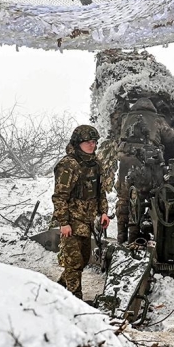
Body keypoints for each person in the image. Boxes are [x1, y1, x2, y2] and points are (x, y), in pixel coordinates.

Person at [52, 124, 111, 300]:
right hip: (71, 220)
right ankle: (75, 300)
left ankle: (57, 290)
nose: (92, 145)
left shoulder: (96, 164)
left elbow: (100, 191)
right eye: (87, 142)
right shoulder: (68, 165)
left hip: (87, 221)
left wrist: (104, 212)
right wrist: (64, 223)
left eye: (94, 142)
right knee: (74, 262)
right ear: (78, 143)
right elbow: (59, 197)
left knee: (83, 259)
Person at [115, 98, 174, 244]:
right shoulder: (157, 119)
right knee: (141, 199)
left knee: (124, 198)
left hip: (124, 164)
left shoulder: (125, 118)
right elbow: (170, 137)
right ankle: (134, 238)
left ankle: (121, 236)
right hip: (146, 164)